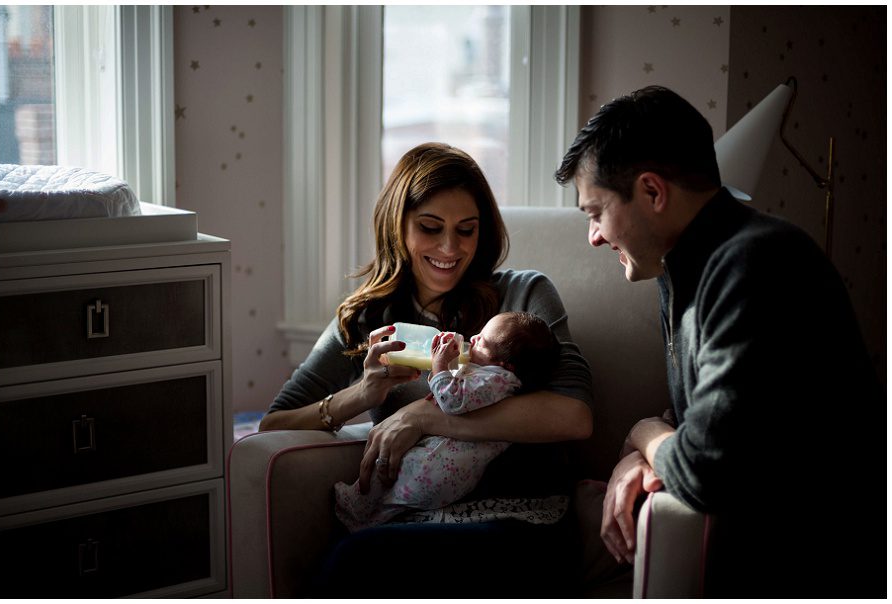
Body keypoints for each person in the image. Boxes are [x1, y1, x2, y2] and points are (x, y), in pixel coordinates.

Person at [555, 86, 883, 597]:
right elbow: (712, 417)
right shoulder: (686, 266)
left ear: (652, 192)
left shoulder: (755, 265)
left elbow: (704, 468)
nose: (594, 236)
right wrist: (636, 457)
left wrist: (642, 433)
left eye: (596, 212)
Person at [262, 142, 594, 597]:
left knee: (356, 561)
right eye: (430, 228)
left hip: (522, 520)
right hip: (410, 518)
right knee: (354, 557)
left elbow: (573, 416)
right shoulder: (367, 320)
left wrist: (420, 417)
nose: (450, 248)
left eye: (467, 230)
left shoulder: (523, 296)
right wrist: (361, 394)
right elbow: (273, 423)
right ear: (397, 226)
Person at [334, 311, 559, 532]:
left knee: (393, 478)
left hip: (436, 468)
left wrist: (440, 366)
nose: (474, 339)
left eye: (483, 342)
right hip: (448, 475)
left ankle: (356, 506)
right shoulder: (493, 379)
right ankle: (369, 520)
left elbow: (451, 401)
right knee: (394, 501)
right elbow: (459, 395)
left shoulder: (497, 382)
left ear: (505, 365)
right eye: (479, 333)